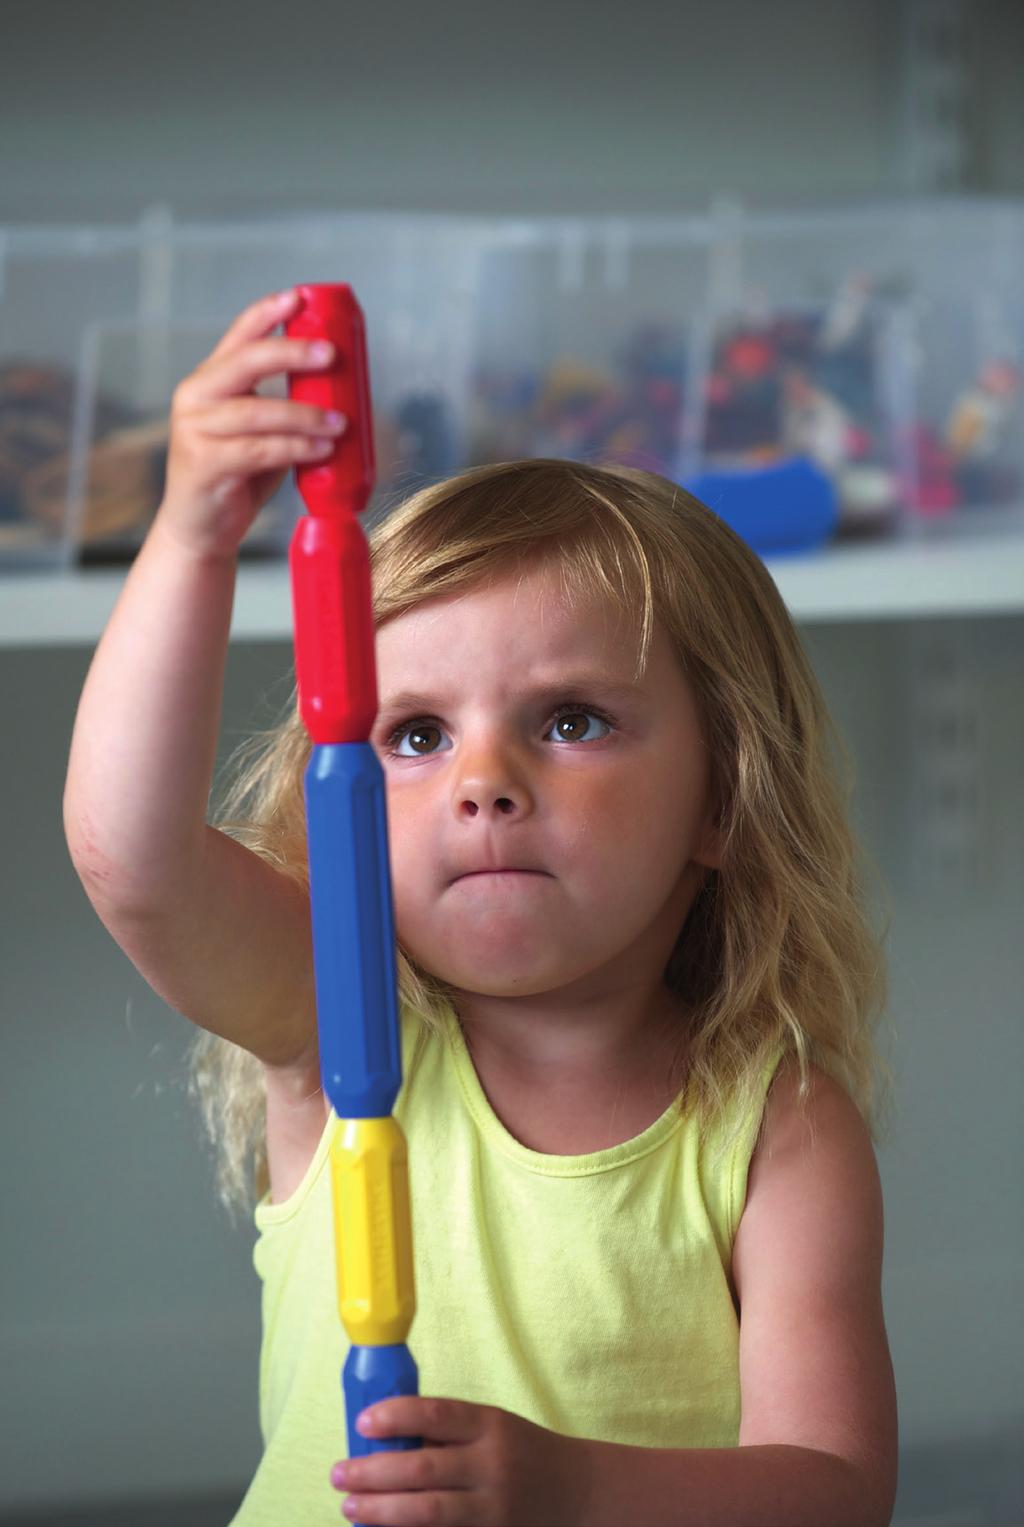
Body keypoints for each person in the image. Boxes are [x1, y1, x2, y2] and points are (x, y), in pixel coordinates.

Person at [63, 289, 899, 1527]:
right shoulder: (340, 1023)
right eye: (413, 734)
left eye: (571, 722)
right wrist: (189, 540)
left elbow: (834, 1490)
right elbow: (132, 858)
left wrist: (572, 1487)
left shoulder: (774, 1123)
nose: (483, 783)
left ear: (722, 800)